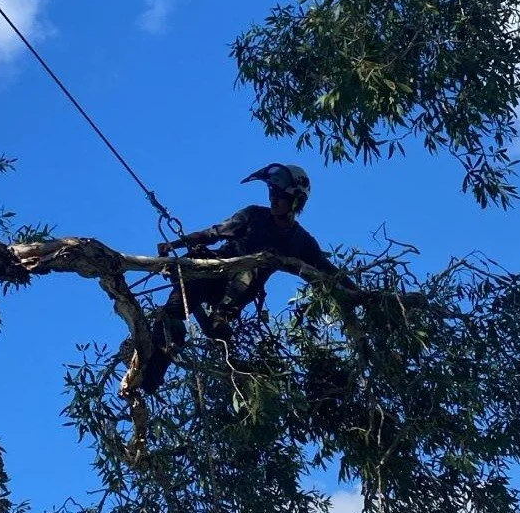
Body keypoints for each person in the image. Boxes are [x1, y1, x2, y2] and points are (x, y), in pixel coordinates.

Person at [134, 162, 357, 394]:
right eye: (271, 193)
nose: (273, 199)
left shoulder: (301, 242)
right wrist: (175, 245)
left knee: (259, 264)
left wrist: (358, 294)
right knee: (172, 314)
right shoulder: (253, 215)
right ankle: (152, 371)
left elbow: (328, 270)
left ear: (295, 201)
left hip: (236, 292)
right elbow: (213, 234)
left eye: (279, 195)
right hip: (211, 272)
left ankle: (221, 317)